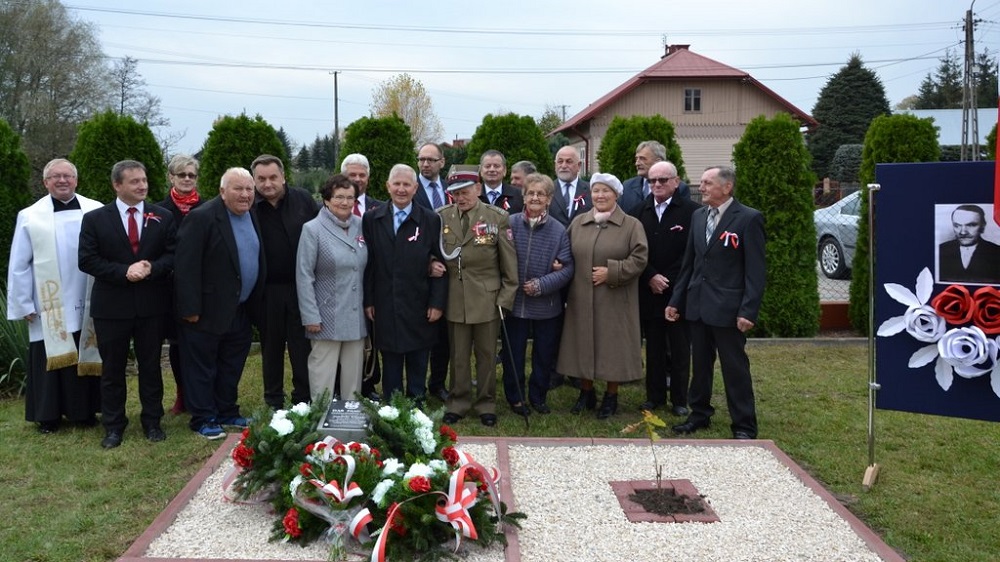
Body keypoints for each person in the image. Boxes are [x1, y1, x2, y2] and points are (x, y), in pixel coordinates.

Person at [79, 160, 176, 448]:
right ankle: (113, 426)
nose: (142, 186)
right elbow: (87, 259)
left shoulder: (162, 216)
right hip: (112, 307)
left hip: (151, 306)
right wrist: (124, 272)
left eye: (144, 180)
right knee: (112, 369)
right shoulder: (96, 219)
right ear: (117, 185)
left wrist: (151, 268)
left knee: (151, 366)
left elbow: (173, 254)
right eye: (134, 182)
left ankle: (152, 422)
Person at [666, 166, 766, 440]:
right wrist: (677, 300)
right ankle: (699, 414)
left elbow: (755, 271)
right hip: (698, 306)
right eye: (701, 183)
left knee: (735, 368)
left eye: (708, 183)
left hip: (729, 309)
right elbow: (690, 264)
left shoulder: (748, 219)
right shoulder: (698, 217)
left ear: (727, 186)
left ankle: (744, 424)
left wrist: (748, 310)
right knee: (699, 366)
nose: (702, 187)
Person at [7, 158, 102, 434]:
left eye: (68, 176)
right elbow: (19, 263)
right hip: (47, 303)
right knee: (48, 357)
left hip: (87, 297)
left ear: (76, 180)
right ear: (45, 182)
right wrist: (23, 302)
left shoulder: (94, 210)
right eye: (56, 177)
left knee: (84, 349)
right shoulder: (30, 215)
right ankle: (48, 416)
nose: (62, 181)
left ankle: (84, 412)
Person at [175, 167, 264, 440]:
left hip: (240, 309)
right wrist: (190, 309)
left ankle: (227, 410)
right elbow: (185, 266)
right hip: (205, 312)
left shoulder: (252, 215)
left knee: (231, 365)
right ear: (222, 191)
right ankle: (203, 417)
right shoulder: (202, 218)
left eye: (249, 189)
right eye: (238, 189)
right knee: (202, 367)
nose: (245, 194)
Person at [558, 172, 648, 419]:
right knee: (582, 342)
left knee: (613, 347)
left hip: (615, 298)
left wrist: (613, 272)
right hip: (581, 296)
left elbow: (640, 258)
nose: (600, 195)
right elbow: (564, 250)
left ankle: (611, 395)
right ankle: (586, 392)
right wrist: (558, 264)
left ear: (616, 194)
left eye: (605, 191)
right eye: (596, 191)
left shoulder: (631, 225)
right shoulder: (578, 222)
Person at [363, 164, 447, 403]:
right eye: (396, 184)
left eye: (406, 184)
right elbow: (369, 263)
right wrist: (369, 300)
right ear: (388, 187)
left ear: (415, 188)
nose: (401, 189)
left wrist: (437, 302)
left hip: (419, 301)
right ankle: (392, 406)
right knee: (390, 357)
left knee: (419, 357)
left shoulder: (430, 220)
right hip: (385, 301)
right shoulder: (372, 219)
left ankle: (417, 403)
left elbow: (440, 264)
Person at [439, 179, 518, 426]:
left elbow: (509, 264)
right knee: (459, 355)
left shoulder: (497, 217)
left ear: (478, 190)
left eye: (465, 192)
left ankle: (486, 404)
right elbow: (433, 251)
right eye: (456, 194)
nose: (461, 198)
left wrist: (505, 299)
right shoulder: (442, 217)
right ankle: (458, 402)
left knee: (486, 355)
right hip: (455, 298)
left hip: (488, 299)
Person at [630, 161, 700, 417]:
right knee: (655, 346)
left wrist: (666, 279)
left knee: (680, 348)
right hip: (649, 290)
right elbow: (634, 250)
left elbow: (692, 254)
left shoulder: (693, 212)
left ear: (676, 181)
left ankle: (680, 399)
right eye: (652, 181)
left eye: (662, 180)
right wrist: (650, 276)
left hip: (677, 292)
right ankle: (654, 396)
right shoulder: (639, 211)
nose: (657, 185)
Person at [502, 173, 574, 415]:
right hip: (516, 303)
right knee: (515, 353)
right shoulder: (509, 223)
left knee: (543, 355)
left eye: (540, 194)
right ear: (523, 196)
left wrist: (542, 285)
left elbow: (567, 268)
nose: (535, 197)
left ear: (549, 199)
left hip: (546, 305)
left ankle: (538, 396)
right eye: (530, 193)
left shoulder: (559, 230)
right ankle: (516, 397)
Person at [252, 154, 317, 410]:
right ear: (254, 180)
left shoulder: (303, 199)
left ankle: (303, 397)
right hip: (267, 290)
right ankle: (274, 399)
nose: (268, 184)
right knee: (271, 346)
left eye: (273, 177)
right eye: (261, 179)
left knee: (302, 346)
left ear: (283, 177)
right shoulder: (250, 205)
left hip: (301, 287)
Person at [296, 174, 368, 402]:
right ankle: (321, 424)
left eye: (350, 197)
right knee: (322, 378)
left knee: (353, 381)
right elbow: (304, 275)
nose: (345, 202)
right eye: (339, 197)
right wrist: (310, 316)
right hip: (325, 317)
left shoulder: (361, 225)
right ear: (326, 200)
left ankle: (351, 425)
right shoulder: (313, 229)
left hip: (356, 315)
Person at [158, 154, 204, 415]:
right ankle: (182, 395)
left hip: (203, 286)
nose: (187, 179)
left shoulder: (209, 207)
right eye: (181, 175)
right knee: (177, 343)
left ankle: (202, 393)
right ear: (171, 177)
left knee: (201, 343)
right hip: (171, 288)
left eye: (191, 175)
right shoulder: (159, 210)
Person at [341, 153, 383, 399]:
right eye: (351, 175)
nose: (357, 180)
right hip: (342, 284)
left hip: (372, 283)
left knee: (371, 337)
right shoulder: (328, 207)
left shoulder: (380, 208)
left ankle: (368, 385)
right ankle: (340, 385)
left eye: (361, 175)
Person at [412, 144, 452, 401]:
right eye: (421, 159)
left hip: (451, 271)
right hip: (421, 273)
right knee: (423, 333)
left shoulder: (452, 190)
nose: (425, 164)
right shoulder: (410, 190)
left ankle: (438, 383)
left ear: (442, 162)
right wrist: (426, 261)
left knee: (445, 337)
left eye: (431, 160)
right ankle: (416, 387)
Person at [620, 141, 690, 214]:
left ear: (658, 161)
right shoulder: (627, 186)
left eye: (642, 158)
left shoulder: (679, 187)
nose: (637, 163)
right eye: (636, 159)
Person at [938, 204, 1000, 283]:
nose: (963, 232)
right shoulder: (940, 250)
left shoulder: (997, 252)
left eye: (971, 225)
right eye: (957, 225)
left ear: (983, 226)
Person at [549, 146, 590, 227]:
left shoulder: (590, 190)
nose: (564, 166)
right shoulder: (547, 190)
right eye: (560, 162)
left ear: (578, 166)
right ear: (555, 165)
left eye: (569, 161)